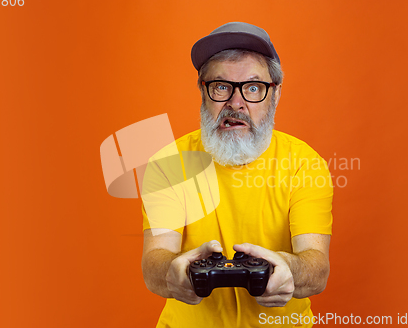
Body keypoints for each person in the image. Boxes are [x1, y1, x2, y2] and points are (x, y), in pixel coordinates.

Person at [141, 22, 333, 328]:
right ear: (202, 91)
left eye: (253, 87)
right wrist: (173, 272)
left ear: (276, 94)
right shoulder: (168, 163)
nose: (236, 102)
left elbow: (316, 268)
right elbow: (155, 261)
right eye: (221, 86)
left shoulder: (304, 164)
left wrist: (289, 269)